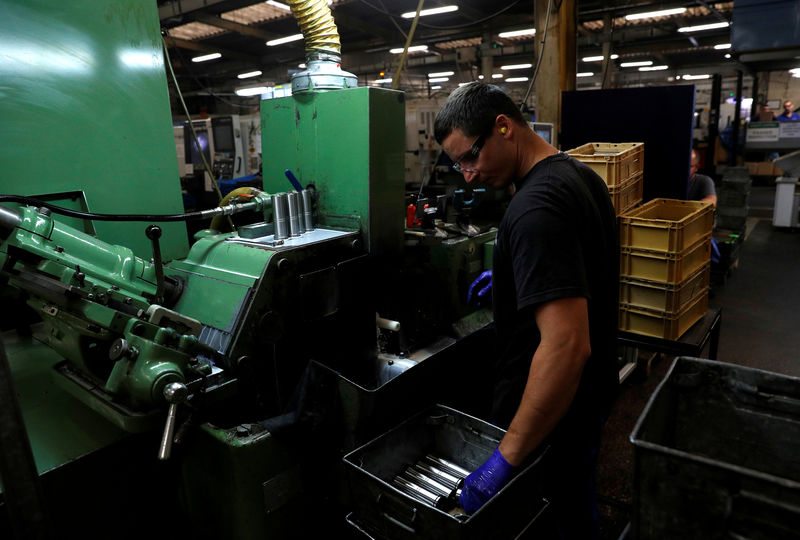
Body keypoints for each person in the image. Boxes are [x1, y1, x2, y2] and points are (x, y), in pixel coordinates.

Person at [434, 82, 619, 538]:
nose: (467, 176)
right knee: (578, 507)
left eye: (470, 156)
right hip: (586, 401)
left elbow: (566, 346)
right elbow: (584, 267)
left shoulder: (536, 208)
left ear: (503, 127)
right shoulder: (579, 176)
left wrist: (506, 457)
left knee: (546, 523)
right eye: (458, 163)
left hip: (549, 422)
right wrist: (522, 277)